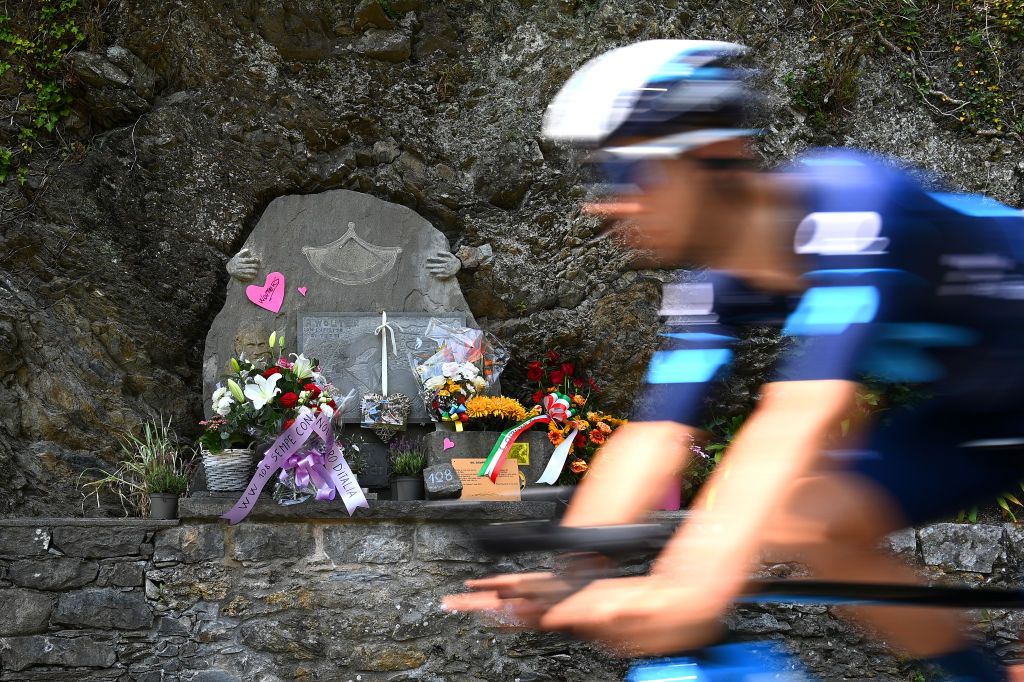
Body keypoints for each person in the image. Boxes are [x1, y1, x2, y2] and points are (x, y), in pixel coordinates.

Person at [443, 39, 1024, 681]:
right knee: (811, 522)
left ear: (712, 156)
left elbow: (796, 416)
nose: (606, 205)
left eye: (626, 174)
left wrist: (693, 584)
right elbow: (654, 434)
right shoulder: (713, 288)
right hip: (982, 410)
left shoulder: (854, 206)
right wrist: (576, 571)